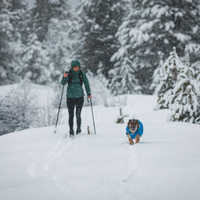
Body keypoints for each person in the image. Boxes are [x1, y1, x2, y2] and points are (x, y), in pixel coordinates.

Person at [61, 60, 92, 137]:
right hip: (70, 97)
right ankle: (71, 130)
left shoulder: (82, 74)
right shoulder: (68, 74)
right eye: (74, 67)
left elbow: (86, 83)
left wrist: (89, 93)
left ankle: (78, 129)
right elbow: (63, 83)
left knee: (78, 114)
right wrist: (64, 77)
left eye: (77, 67)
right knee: (71, 115)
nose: (76, 69)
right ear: (72, 67)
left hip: (79, 97)